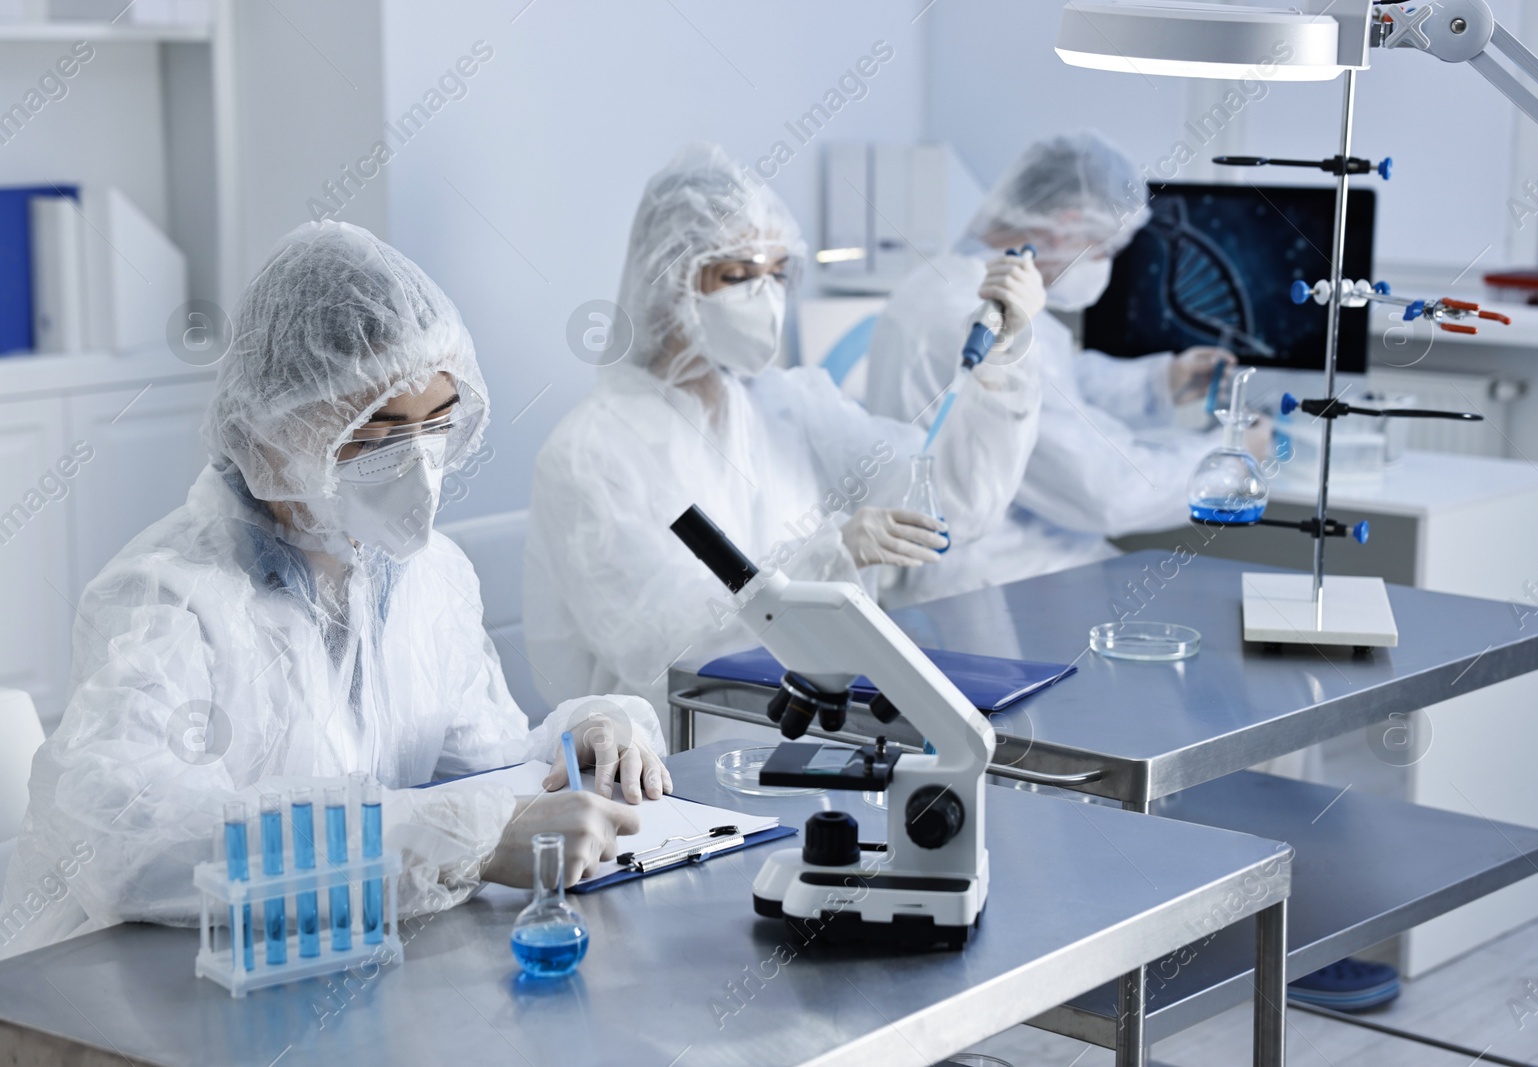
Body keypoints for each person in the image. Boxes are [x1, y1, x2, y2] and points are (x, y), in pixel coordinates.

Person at [0, 222, 666, 961]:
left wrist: (589, 732)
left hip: (341, 968)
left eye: (438, 421)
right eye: (376, 430)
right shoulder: (167, 599)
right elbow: (131, 841)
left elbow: (483, 765)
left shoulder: (429, 577)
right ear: (272, 423)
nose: (417, 463)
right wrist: (459, 843)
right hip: (137, 989)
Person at [524, 143, 1043, 719]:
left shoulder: (789, 406)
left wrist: (1002, 363)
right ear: (669, 279)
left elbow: (947, 506)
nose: (765, 298)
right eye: (739, 274)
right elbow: (657, 640)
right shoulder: (592, 451)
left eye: (776, 273)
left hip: (809, 733)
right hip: (671, 760)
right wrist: (827, 557)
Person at [866, 133, 1270, 605]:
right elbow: (1107, 492)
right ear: (1065, 225)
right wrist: (1231, 460)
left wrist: (1160, 382)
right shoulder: (983, 314)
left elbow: (1057, 391)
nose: (1104, 266)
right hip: (994, 585)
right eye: (1105, 251)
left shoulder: (948, 281)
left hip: (1006, 564)